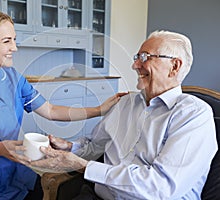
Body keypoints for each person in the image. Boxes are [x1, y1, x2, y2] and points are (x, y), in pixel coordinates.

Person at [0, 8, 123, 200]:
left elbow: (50, 110)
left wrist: (99, 110)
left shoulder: (12, 78)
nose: (15, 48)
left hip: (16, 175)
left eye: (14, 39)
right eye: (6, 41)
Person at [31, 30, 218, 199]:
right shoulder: (126, 103)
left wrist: (84, 166)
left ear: (175, 66)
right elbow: (95, 146)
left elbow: (159, 188)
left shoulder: (193, 115)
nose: (135, 65)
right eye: (137, 57)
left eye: (145, 57)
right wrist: (69, 147)